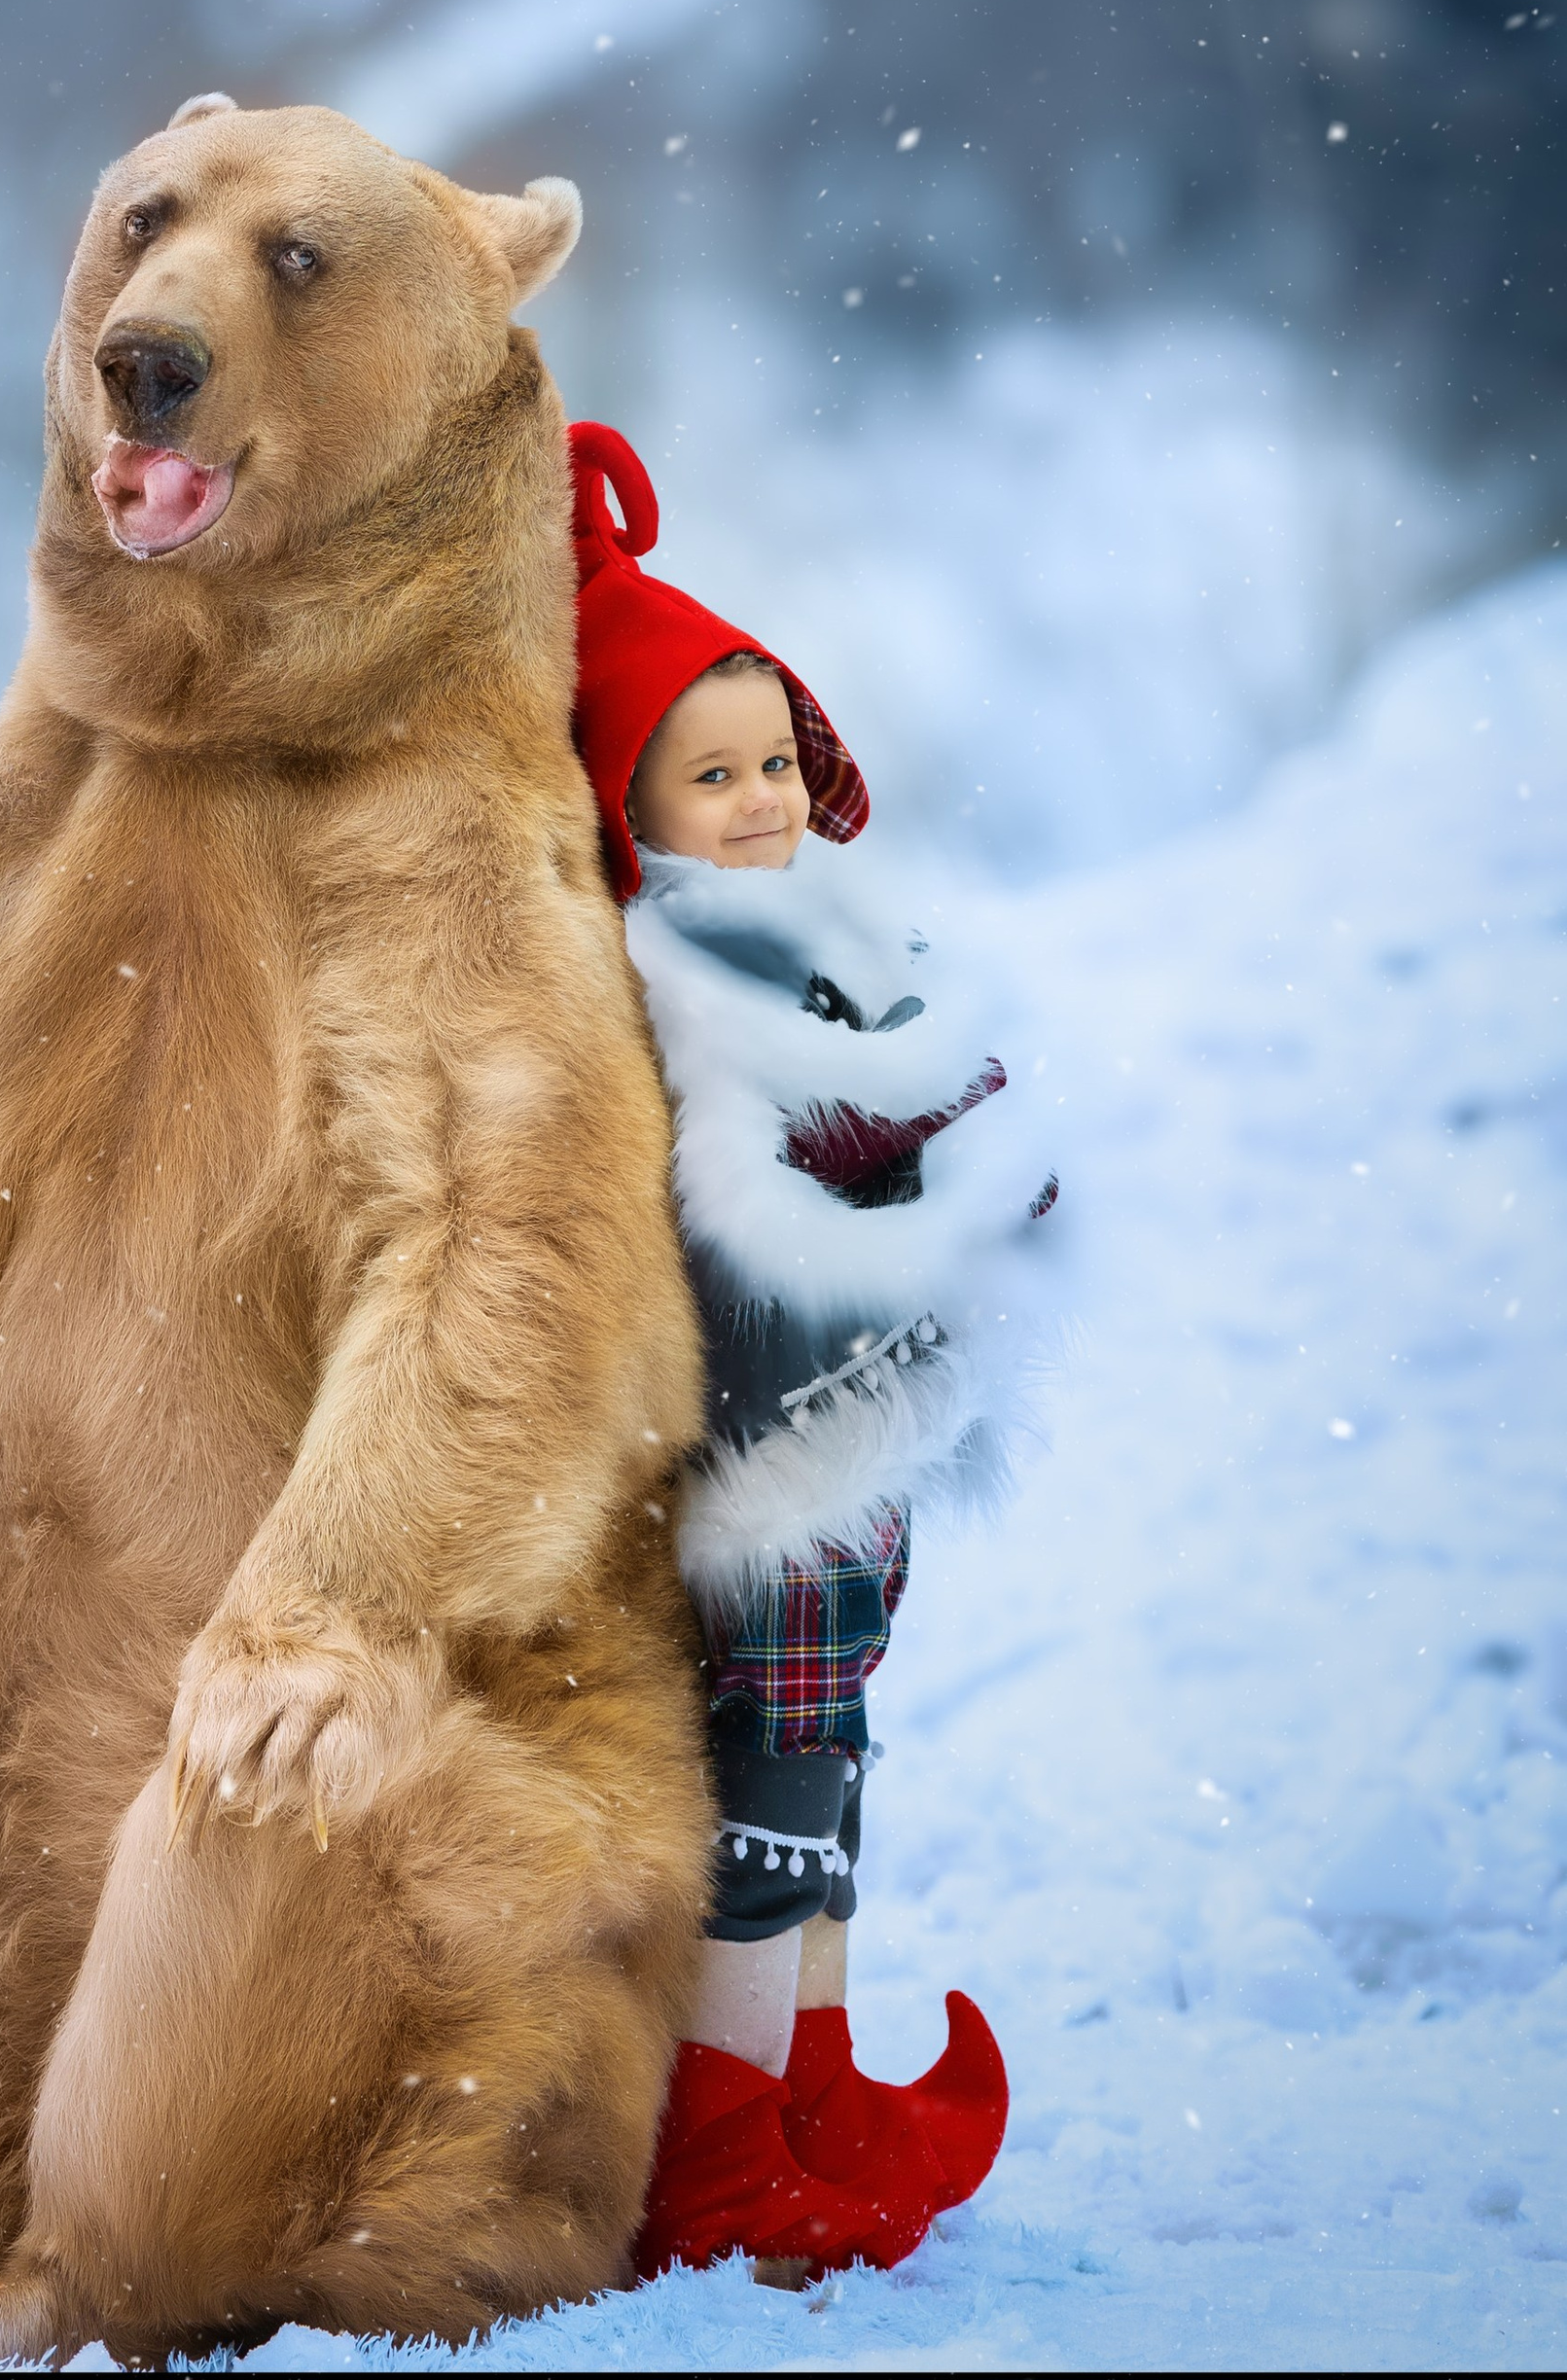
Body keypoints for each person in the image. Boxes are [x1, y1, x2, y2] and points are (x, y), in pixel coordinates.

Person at [568, 420, 1061, 2285]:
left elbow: (908, 1093)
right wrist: (893, 1128)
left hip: (866, 1421)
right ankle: (717, 2147)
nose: (766, 800)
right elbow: (740, 1181)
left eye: (776, 759)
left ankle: (809, 2085)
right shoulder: (681, 976)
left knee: (835, 1746)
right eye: (714, 776)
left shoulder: (811, 931)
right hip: (771, 1438)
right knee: (772, 1768)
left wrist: (965, 1129)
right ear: (635, 810)